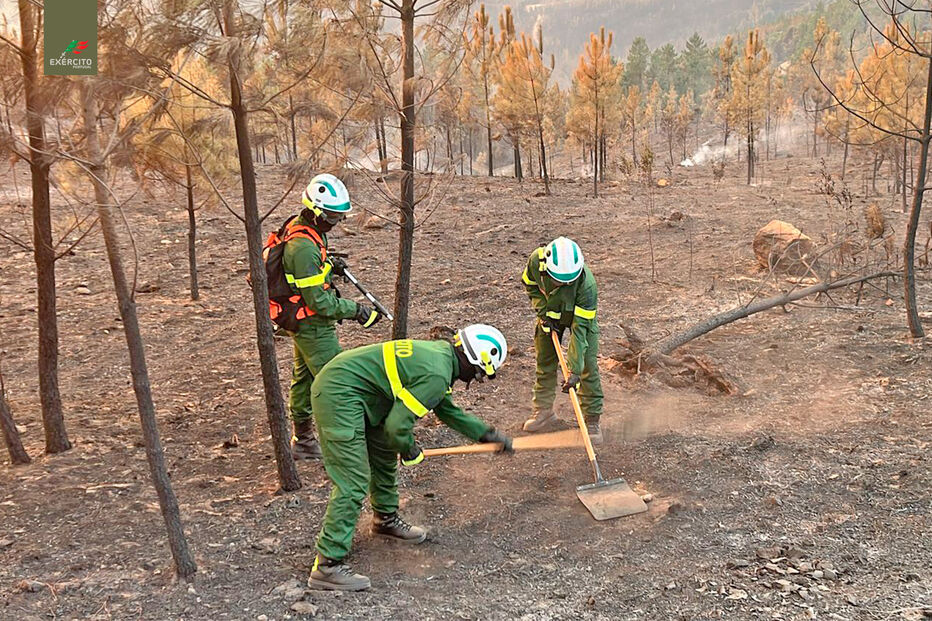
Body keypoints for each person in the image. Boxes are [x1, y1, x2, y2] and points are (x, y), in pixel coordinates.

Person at [307, 324, 513, 591]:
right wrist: (409, 450)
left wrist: (488, 435)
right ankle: (327, 565)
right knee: (353, 479)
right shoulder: (437, 373)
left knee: (382, 451)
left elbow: (447, 410)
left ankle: (385, 519)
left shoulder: (441, 358)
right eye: (478, 373)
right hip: (339, 394)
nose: (474, 379)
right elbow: (397, 427)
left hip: (363, 394)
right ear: (475, 361)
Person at [283, 173, 382, 460]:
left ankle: (302, 440)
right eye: (332, 216)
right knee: (339, 381)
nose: (336, 221)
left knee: (304, 379)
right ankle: (347, 443)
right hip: (311, 324)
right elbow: (319, 302)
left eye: (340, 216)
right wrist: (357, 311)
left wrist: (328, 264)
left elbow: (310, 275)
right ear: (315, 210)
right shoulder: (301, 247)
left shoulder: (307, 230)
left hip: (303, 321)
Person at [520, 236, 604, 443]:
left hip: (580, 321)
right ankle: (543, 411)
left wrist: (573, 370)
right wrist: (543, 313)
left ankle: (591, 420)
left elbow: (580, 332)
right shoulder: (535, 262)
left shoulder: (587, 287)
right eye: (558, 279)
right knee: (545, 362)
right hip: (550, 317)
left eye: (568, 281)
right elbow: (530, 285)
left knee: (588, 366)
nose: (563, 283)